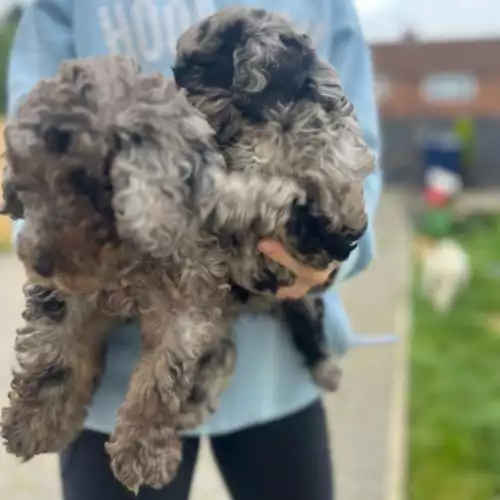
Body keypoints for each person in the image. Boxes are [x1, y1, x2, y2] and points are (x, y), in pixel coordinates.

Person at [7, 0, 382, 499]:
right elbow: (35, 145)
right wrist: (55, 242)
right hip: (110, 382)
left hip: (275, 372)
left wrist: (332, 252)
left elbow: (356, 151)